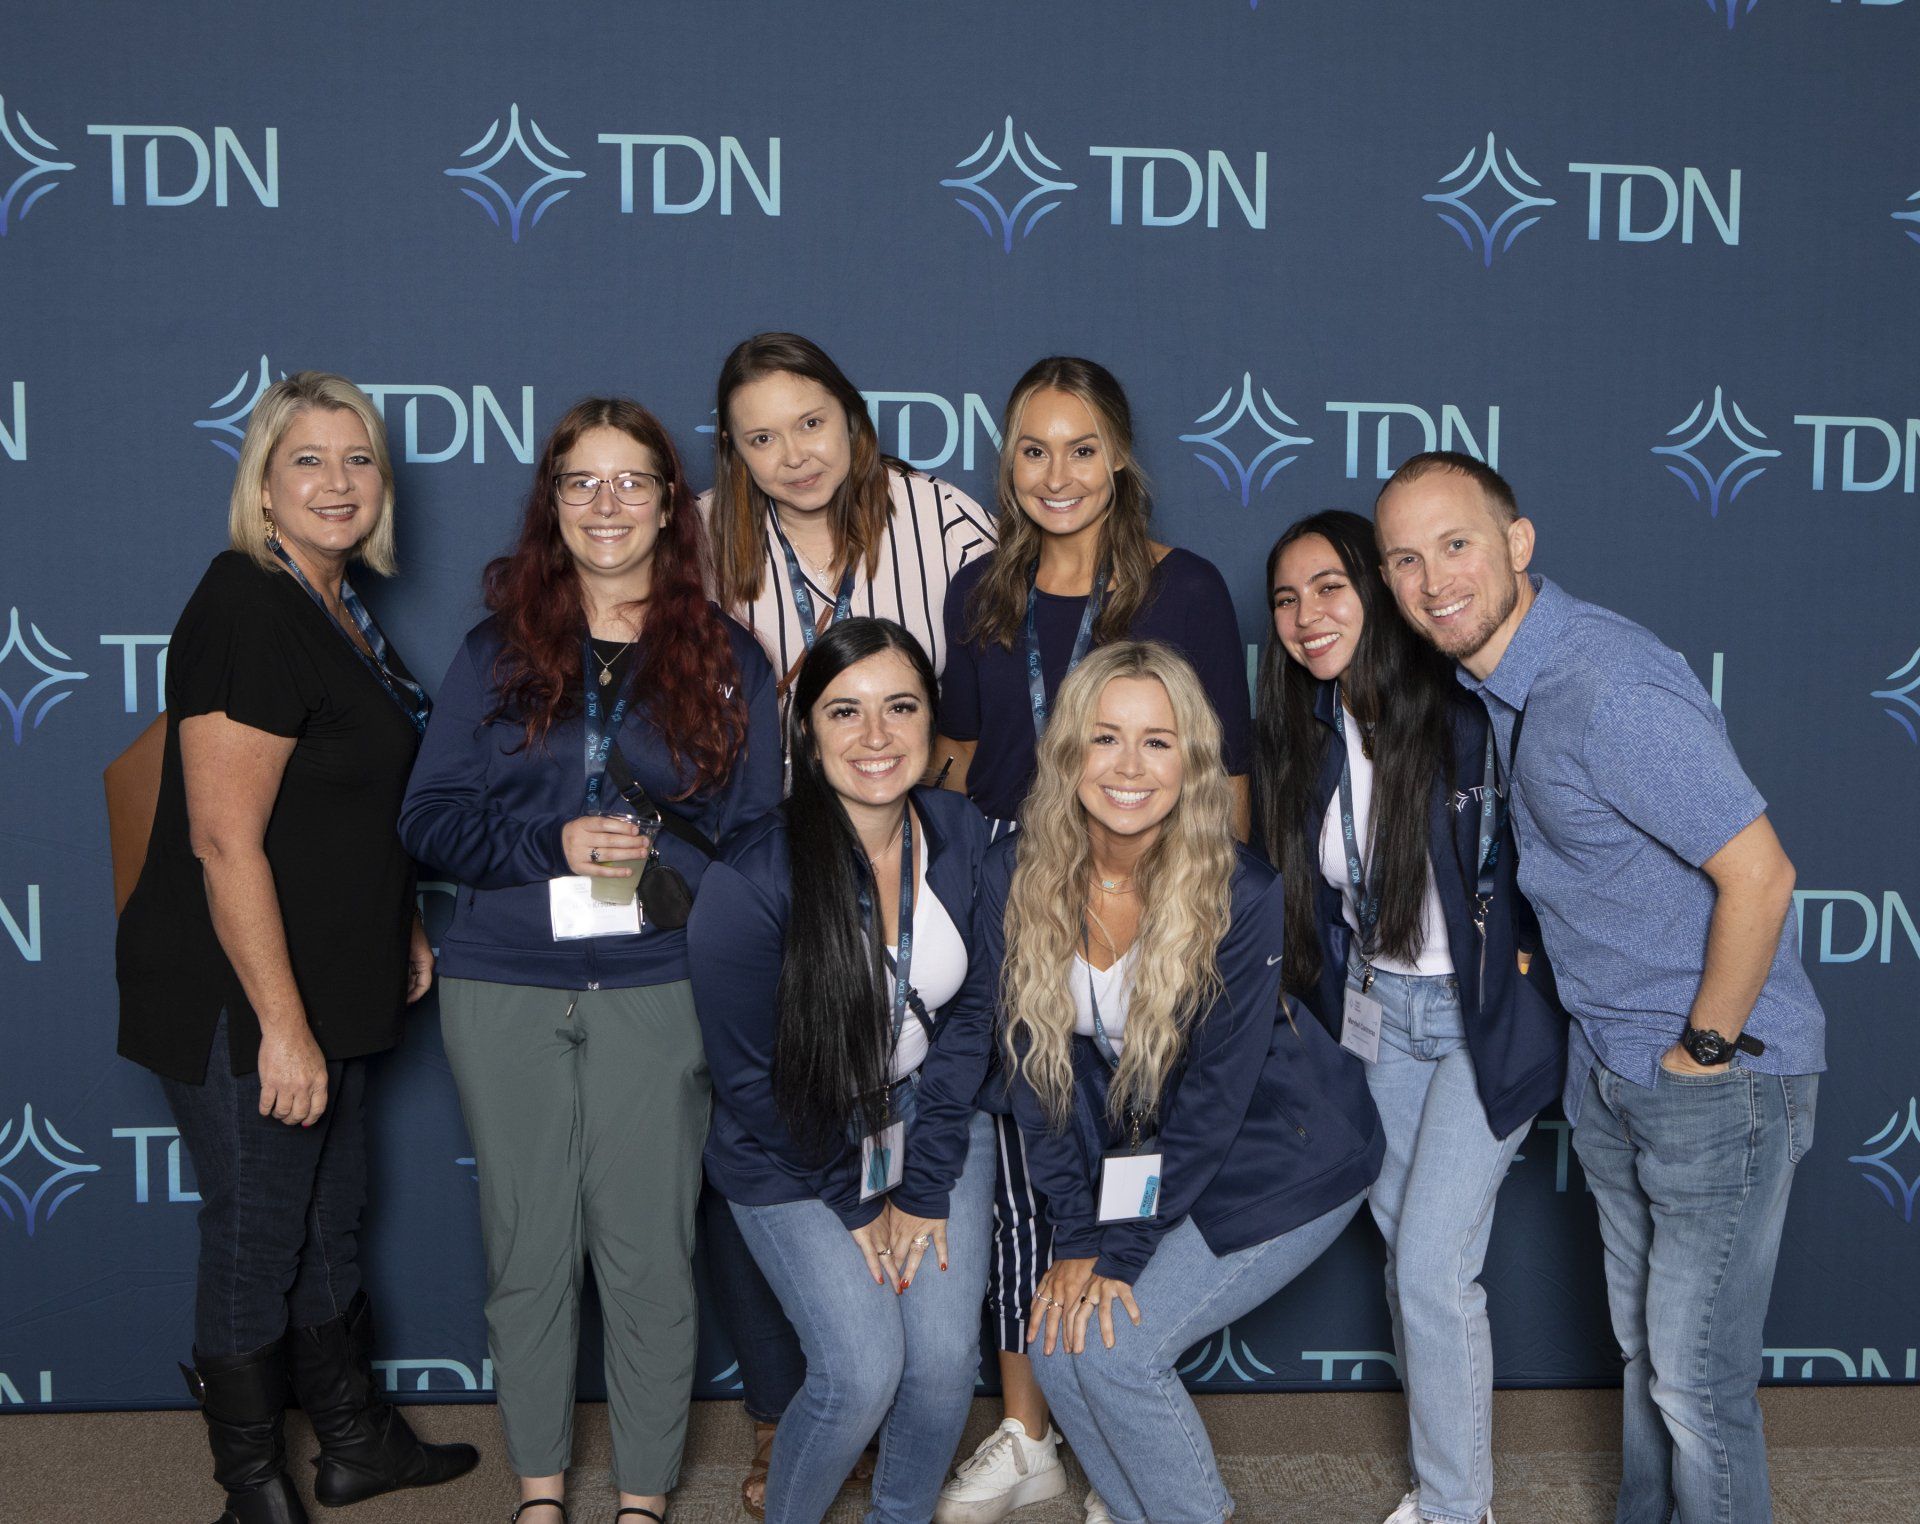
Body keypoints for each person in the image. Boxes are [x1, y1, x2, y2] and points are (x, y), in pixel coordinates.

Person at [1375, 452, 1825, 1524]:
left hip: (1717, 1081)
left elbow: (1761, 875)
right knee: (1644, 1358)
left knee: (1695, 1383)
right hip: (1616, 1071)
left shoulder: (1603, 684)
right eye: (1404, 559)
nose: (1433, 580)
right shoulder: (1506, 688)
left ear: (1518, 544)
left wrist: (1702, 1052)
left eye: (1456, 544)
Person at [398, 398, 780, 1524]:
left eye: (631, 482)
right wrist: (547, 844)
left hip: (658, 985)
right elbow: (429, 818)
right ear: (551, 504)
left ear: (673, 504)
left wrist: (677, 887)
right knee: (526, 1247)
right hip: (505, 979)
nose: (606, 504)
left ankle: (645, 1501)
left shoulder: (726, 657)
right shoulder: (493, 653)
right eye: (581, 482)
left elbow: (760, 843)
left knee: (650, 1252)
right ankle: (540, 1494)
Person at [117, 372, 476, 1524]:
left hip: (336, 976)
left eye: (358, 458)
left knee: (330, 1215)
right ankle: (252, 1487)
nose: (338, 482)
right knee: (260, 1229)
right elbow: (224, 842)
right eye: (307, 460)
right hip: (242, 995)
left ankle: (357, 1443)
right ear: (262, 487)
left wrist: (401, 918)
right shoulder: (247, 604)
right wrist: (279, 1027)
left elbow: (343, 803)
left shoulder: (337, 611)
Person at [941, 640, 1380, 1524]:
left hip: (1284, 1156)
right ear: (1069, 753)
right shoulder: (1011, 873)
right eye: (1106, 739)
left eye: (1158, 741)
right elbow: (1038, 1077)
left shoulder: (1243, 891)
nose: (1130, 767)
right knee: (1057, 1342)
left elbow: (1214, 1105)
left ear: (1194, 761)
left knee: (1109, 1351)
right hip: (1156, 1148)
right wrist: (1075, 1238)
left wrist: (1118, 1253)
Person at [933, 358, 1254, 1522]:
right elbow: (960, 767)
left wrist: (1200, 922)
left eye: (1080, 448)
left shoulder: (1187, 588)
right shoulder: (983, 590)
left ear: (1119, 455)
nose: (1056, 474)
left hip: (1140, 910)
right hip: (1016, 910)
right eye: (1032, 449)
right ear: (1007, 462)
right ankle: (1029, 1433)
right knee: (1028, 1167)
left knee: (1129, 1149)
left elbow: (1226, 783)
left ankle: (1112, 1431)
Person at [701, 332, 995, 1514]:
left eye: (810, 423)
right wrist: (857, 1199)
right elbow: (752, 1085)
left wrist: (918, 1187)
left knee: (940, 1367)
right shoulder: (751, 880)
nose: (791, 453)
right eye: (760, 435)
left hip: (917, 1098)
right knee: (864, 1363)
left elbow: (972, 1021)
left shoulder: (969, 843)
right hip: (800, 1113)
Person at [1256, 509, 1566, 1524]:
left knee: (1432, 1265)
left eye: (1331, 589)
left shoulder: (1462, 705)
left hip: (1482, 1019)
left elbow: (1554, 846)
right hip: (1380, 1011)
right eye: (1287, 599)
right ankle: (1452, 1494)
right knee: (1410, 1249)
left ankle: (1455, 1506)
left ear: (1380, 593)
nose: (1306, 617)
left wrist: (1532, 962)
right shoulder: (1310, 728)